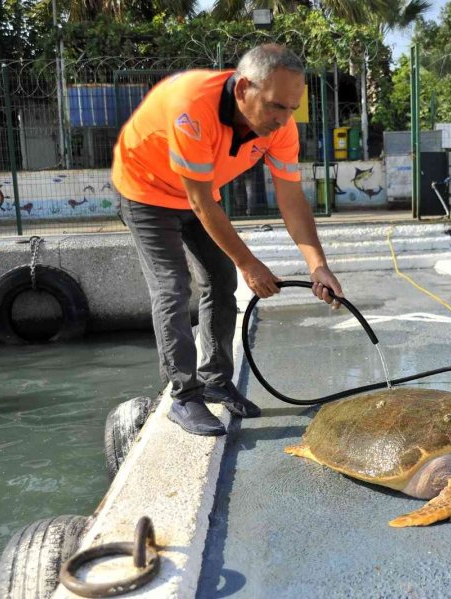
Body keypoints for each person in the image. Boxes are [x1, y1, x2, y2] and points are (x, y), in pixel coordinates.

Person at [111, 44, 343, 437]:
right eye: (275, 106)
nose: (283, 118)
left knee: (220, 281)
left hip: (201, 191)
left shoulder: (281, 126)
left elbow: (291, 197)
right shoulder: (192, 107)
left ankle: (216, 379)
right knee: (172, 287)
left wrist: (317, 265)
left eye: (292, 108)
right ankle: (184, 396)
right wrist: (250, 263)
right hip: (145, 191)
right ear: (242, 90)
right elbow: (200, 203)